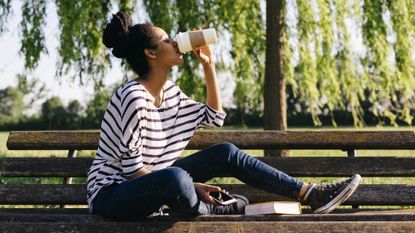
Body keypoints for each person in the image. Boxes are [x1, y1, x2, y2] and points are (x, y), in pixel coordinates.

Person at [87, 11, 361, 220]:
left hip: (156, 182)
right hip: (112, 194)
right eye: (167, 40)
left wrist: (209, 67)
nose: (176, 42)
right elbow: (132, 170)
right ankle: (210, 209)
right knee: (176, 178)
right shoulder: (132, 97)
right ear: (151, 53)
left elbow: (213, 116)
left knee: (225, 152)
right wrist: (192, 186)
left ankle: (310, 193)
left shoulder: (170, 92)